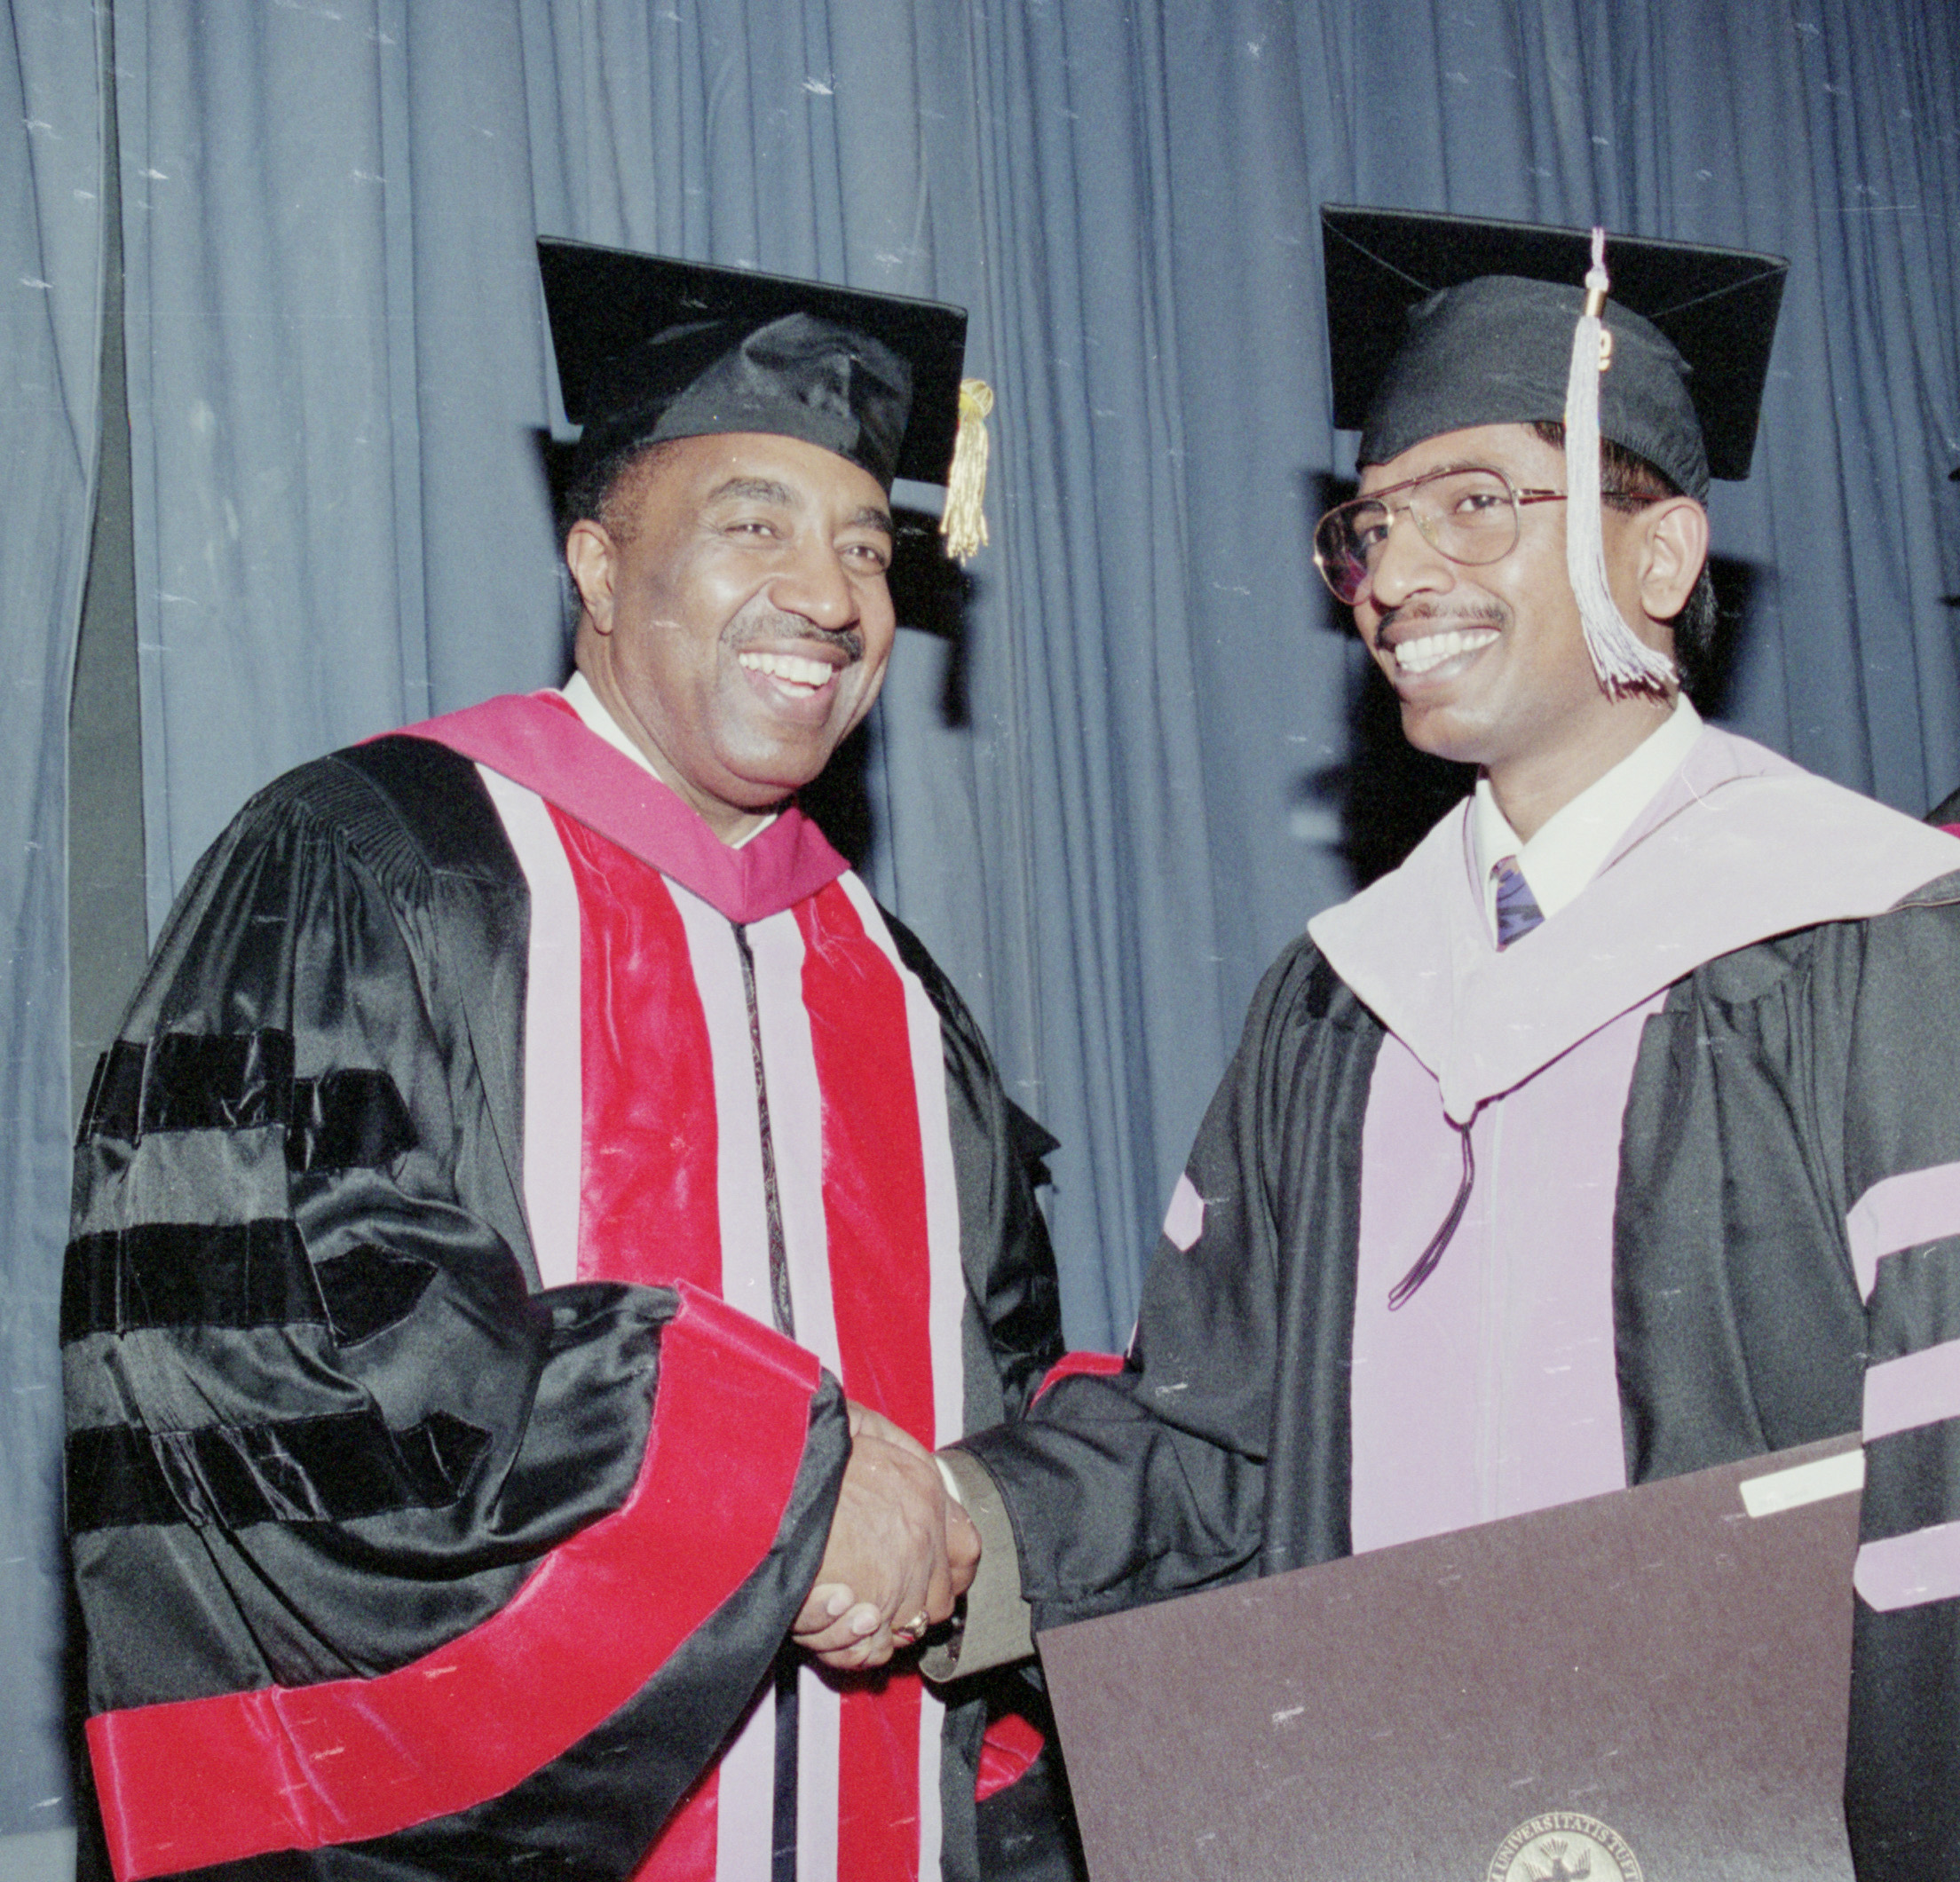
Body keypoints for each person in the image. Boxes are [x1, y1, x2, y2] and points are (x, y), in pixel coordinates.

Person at [929, 208, 1960, 1878]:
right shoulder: (1342, 1001)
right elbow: (1214, 1445)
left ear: (1661, 558)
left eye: (1477, 505)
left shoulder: (1868, 945)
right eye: (1370, 529)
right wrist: (945, 1528)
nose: (1397, 577)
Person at [62, 240, 1077, 1882]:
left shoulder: (889, 987)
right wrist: (780, 1478)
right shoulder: (374, 866)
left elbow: (999, 1394)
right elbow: (275, 1366)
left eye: (866, 548)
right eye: (751, 522)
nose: (827, 595)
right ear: (598, 568)